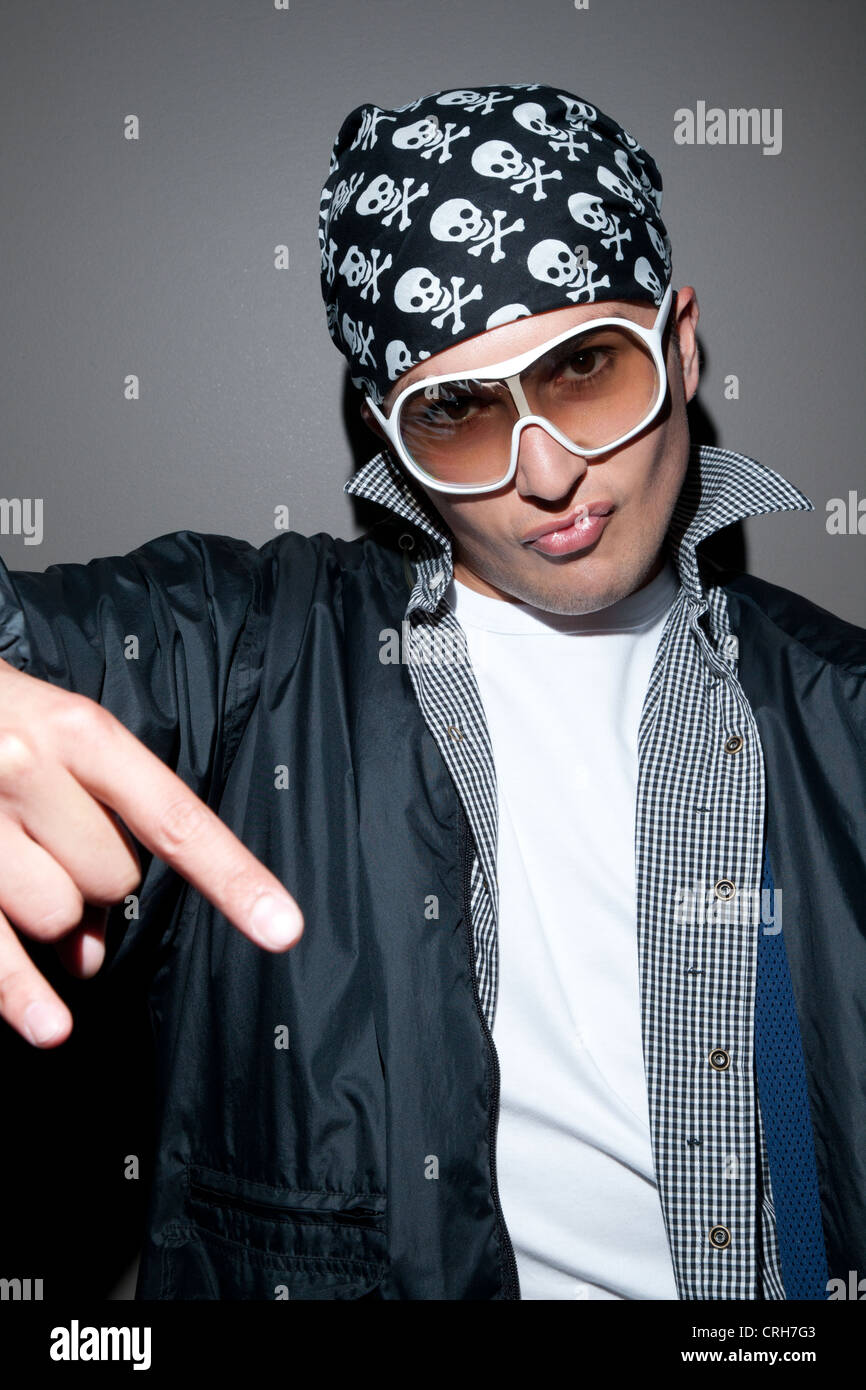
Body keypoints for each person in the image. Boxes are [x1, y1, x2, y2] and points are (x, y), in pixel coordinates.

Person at [0, 80, 863, 1302]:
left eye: (582, 372)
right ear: (384, 433)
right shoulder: (248, 652)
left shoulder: (843, 714)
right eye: (458, 413)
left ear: (677, 344)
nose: (550, 473)